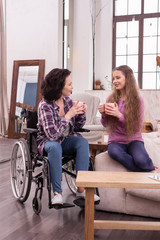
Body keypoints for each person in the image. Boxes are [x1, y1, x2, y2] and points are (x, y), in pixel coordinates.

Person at [37, 68, 100, 205]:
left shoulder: (68, 101)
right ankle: (57, 193)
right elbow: (52, 135)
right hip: (48, 142)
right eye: (69, 84)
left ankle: (81, 190)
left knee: (82, 142)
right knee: (54, 147)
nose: (73, 87)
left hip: (65, 140)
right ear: (59, 86)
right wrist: (68, 115)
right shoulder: (44, 105)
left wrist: (81, 113)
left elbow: (77, 127)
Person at [98, 65, 155, 172]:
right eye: (113, 78)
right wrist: (103, 114)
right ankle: (147, 171)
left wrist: (118, 114)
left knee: (142, 161)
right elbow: (105, 124)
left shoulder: (138, 100)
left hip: (133, 139)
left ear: (128, 78)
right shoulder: (110, 98)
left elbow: (137, 127)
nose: (115, 81)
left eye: (118, 78)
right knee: (114, 152)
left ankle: (149, 166)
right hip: (115, 140)